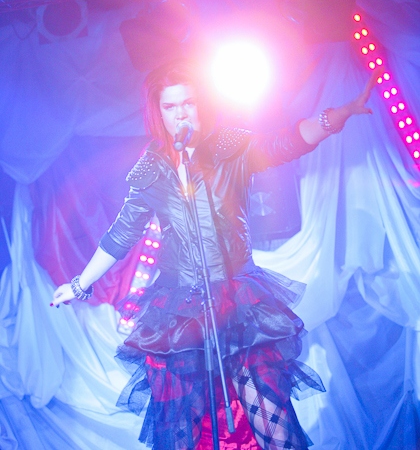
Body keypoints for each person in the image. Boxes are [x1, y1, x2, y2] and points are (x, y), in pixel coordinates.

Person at [52, 58, 375, 450]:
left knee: (273, 424)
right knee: (185, 431)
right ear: (159, 113)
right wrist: (79, 285)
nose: (180, 113)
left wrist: (338, 115)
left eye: (187, 103)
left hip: (238, 302)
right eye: (170, 106)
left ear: (199, 104)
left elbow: (286, 142)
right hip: (181, 312)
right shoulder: (151, 169)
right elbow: (121, 233)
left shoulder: (230, 147)